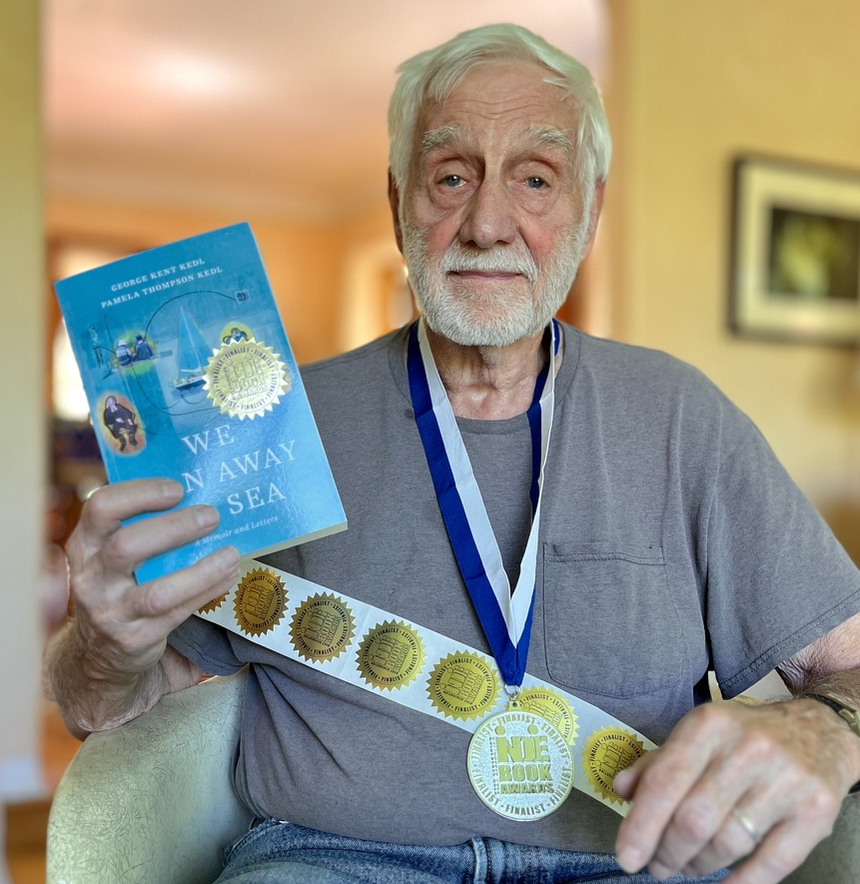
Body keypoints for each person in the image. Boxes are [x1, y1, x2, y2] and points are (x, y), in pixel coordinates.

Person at [45, 23, 860, 884]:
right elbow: (106, 701)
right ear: (400, 200)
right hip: (334, 860)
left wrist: (821, 728)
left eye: (535, 178)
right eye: (451, 176)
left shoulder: (682, 417)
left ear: (590, 207)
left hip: (626, 868)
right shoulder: (274, 426)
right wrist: (101, 641)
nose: (487, 223)